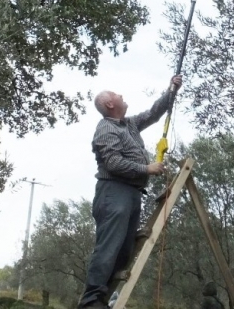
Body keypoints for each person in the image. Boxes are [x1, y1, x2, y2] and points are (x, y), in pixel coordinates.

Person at [78, 75, 183, 309]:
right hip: (113, 191)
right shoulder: (105, 128)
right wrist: (146, 168)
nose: (122, 96)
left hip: (132, 193)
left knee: (124, 250)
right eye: (117, 94)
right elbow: (113, 163)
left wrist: (171, 91)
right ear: (109, 104)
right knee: (108, 247)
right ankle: (91, 300)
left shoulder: (129, 124)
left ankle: (103, 299)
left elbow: (153, 114)